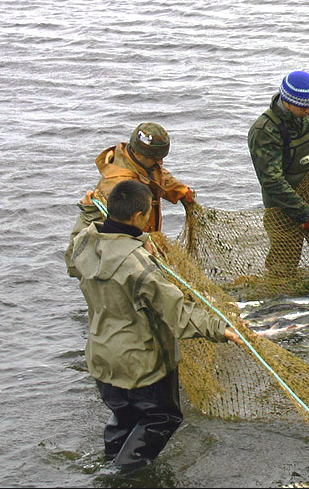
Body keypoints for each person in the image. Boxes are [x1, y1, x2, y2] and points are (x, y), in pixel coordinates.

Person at [65, 180, 245, 471]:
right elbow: (176, 312)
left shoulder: (86, 241)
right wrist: (220, 328)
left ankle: (111, 464)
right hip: (141, 362)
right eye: (149, 212)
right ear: (138, 217)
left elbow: (74, 258)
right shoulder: (138, 264)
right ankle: (124, 476)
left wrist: (87, 214)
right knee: (162, 417)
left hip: (101, 357)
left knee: (124, 416)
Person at [247, 70, 309, 278]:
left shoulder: (307, 112)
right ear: (287, 101)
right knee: (284, 265)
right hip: (283, 205)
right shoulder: (264, 130)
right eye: (304, 106)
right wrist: (305, 214)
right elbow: (272, 182)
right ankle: (279, 305)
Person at [73, 122, 195, 237]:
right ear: (138, 153)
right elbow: (111, 235)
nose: (160, 162)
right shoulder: (117, 187)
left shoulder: (143, 164)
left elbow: (158, 174)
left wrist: (180, 191)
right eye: (155, 158)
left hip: (148, 240)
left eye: (161, 157)